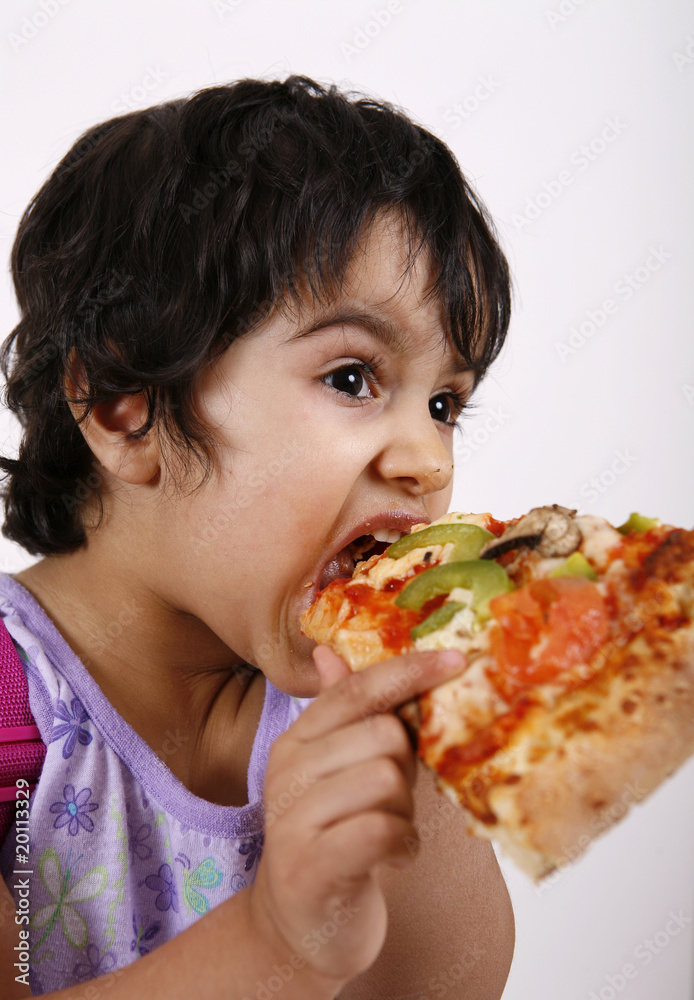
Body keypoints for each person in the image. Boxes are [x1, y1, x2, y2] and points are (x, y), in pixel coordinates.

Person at [0, 75, 515, 998]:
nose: (427, 461)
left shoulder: (333, 710)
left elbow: (443, 989)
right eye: (355, 377)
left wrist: (422, 768)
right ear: (126, 408)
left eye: (445, 405)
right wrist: (279, 945)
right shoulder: (13, 726)